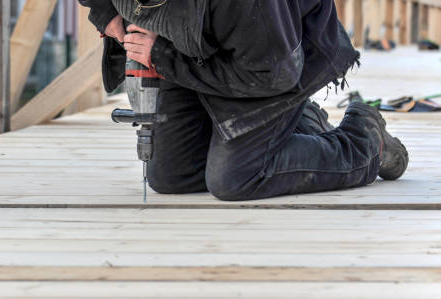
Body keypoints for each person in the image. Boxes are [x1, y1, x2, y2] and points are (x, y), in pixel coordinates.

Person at [78, 0, 409, 201]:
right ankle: (298, 122)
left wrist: (164, 58)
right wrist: (107, 12)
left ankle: (365, 138)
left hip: (274, 61)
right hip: (188, 44)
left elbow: (271, 76)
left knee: (236, 178)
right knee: (170, 177)